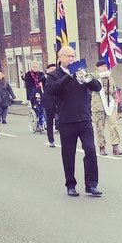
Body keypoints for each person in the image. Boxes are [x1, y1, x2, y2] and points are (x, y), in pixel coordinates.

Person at [45, 46, 103, 198]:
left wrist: (87, 77)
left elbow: (97, 87)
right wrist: (69, 76)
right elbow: (51, 90)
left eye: (73, 56)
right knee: (69, 154)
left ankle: (92, 185)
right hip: (66, 120)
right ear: (60, 58)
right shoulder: (54, 75)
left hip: (84, 119)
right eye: (68, 56)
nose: (71, 59)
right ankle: (71, 184)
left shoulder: (81, 72)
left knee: (90, 150)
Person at [91, 60, 122, 156]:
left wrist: (116, 101)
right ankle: (102, 147)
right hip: (98, 106)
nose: (105, 68)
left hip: (110, 105)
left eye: (106, 66)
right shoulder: (94, 77)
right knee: (100, 128)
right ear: (98, 68)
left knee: (114, 126)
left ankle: (115, 147)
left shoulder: (110, 78)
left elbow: (113, 91)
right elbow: (90, 80)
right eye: (102, 66)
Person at [42, 63, 58, 147]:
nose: (54, 71)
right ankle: (51, 140)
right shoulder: (45, 78)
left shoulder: (57, 77)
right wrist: (47, 75)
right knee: (50, 121)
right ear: (47, 70)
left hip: (58, 102)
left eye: (55, 69)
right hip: (49, 102)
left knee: (61, 119)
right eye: (51, 69)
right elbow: (41, 79)